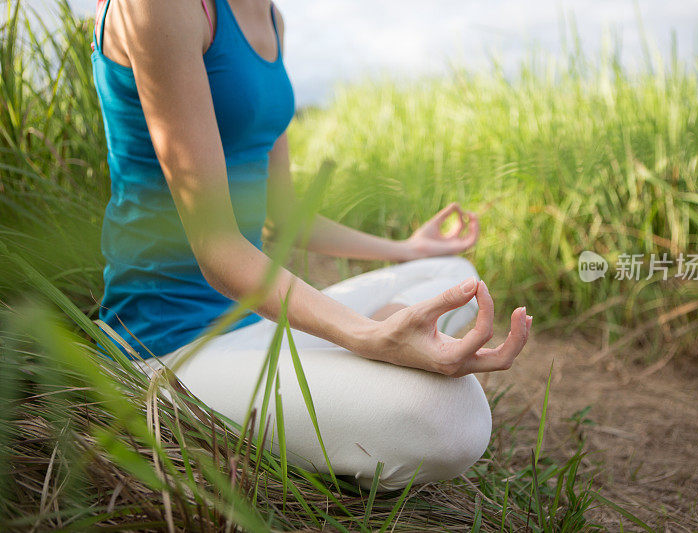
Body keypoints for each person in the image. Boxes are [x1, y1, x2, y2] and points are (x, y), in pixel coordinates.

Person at [90, 0, 532, 491]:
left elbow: (282, 215)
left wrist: (407, 248)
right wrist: (364, 335)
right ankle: (369, 377)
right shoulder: (163, 7)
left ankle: (366, 375)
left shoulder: (271, 17)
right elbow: (218, 251)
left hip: (254, 320)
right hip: (170, 348)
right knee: (453, 418)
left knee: (454, 271)